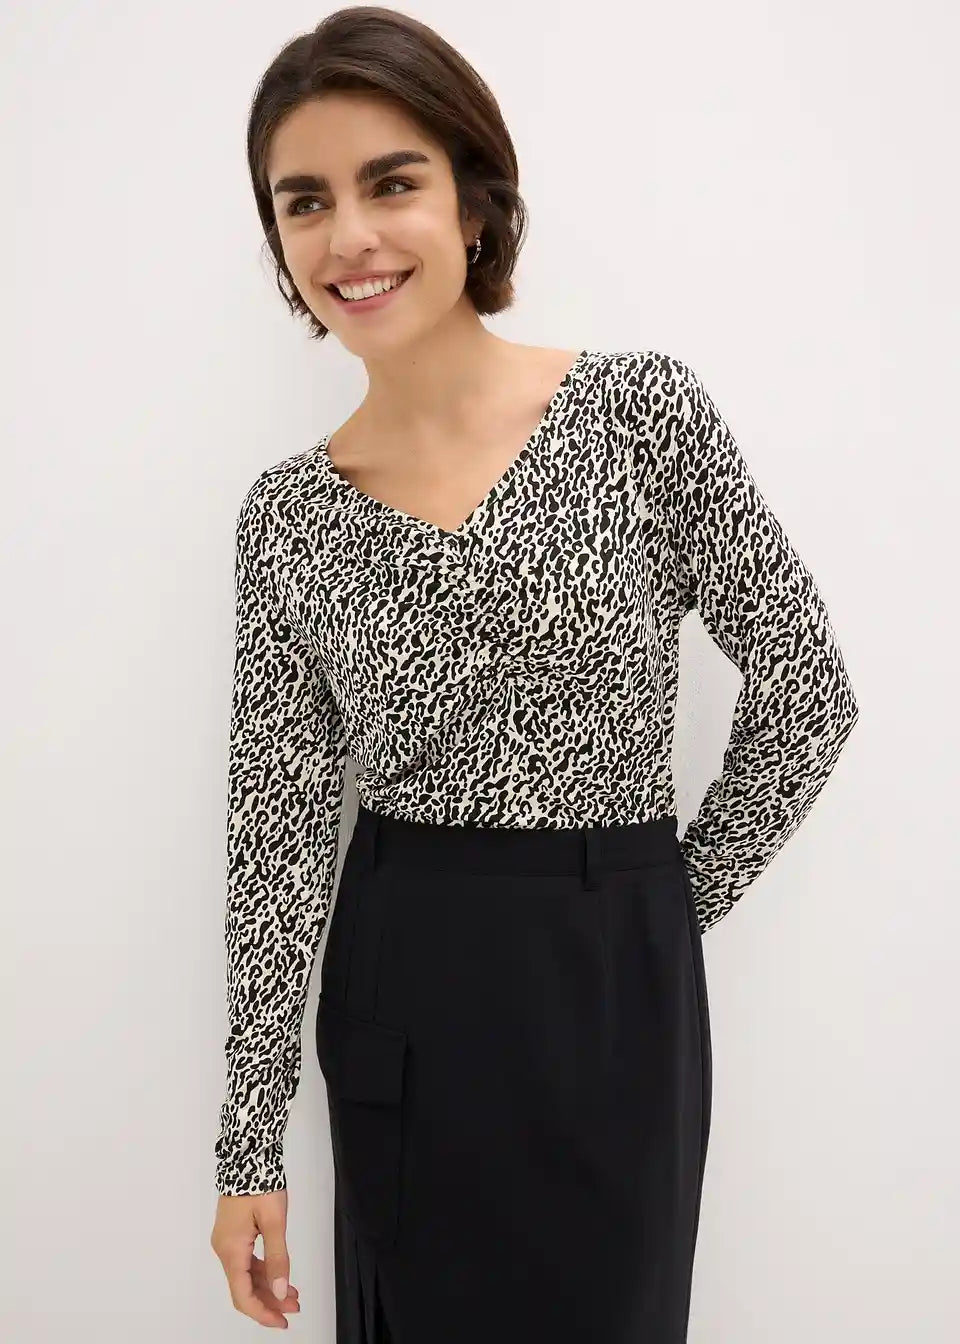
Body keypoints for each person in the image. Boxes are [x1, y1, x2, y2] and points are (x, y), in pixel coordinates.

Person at [209, 7, 860, 1340]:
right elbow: (277, 839)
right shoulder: (289, 518)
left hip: (610, 993)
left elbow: (808, 689)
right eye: (305, 201)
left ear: (473, 201)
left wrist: (658, 909)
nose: (349, 236)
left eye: (391, 182)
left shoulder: (639, 417)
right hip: (402, 991)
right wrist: (247, 1144)